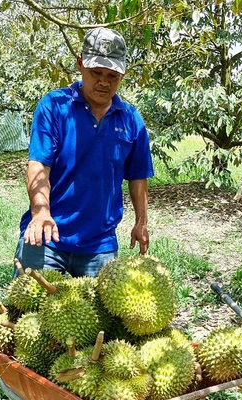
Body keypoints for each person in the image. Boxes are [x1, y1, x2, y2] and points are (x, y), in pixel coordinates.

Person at [13, 27, 153, 278]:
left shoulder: (131, 119)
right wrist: (40, 211)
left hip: (99, 244)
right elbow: (39, 165)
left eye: (112, 75)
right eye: (96, 72)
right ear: (80, 64)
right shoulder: (54, 106)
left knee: (102, 316)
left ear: (122, 74)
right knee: (27, 312)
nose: (103, 82)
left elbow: (138, 177)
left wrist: (141, 222)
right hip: (47, 234)